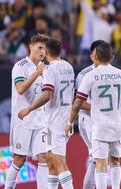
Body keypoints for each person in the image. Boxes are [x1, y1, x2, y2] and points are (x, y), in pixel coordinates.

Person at [65, 42, 121, 189]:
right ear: (112, 57)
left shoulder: (90, 76)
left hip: (98, 125)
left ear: (96, 56)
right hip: (116, 125)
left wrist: (69, 122)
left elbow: (77, 102)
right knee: (115, 160)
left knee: (99, 162)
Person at [18, 38, 75, 189]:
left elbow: (47, 95)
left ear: (47, 52)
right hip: (66, 119)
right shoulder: (68, 66)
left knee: (59, 162)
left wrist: (29, 109)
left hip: (56, 121)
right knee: (51, 161)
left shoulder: (50, 70)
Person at [6, 34, 49, 189]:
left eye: (44, 48)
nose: (42, 51)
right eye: (39, 47)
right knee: (19, 159)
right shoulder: (20, 66)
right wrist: (36, 73)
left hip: (40, 121)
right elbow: (20, 89)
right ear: (30, 47)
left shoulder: (46, 68)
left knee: (44, 157)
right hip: (22, 121)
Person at [75, 39, 105, 189]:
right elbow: (79, 103)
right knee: (97, 157)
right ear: (92, 55)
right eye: (98, 51)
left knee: (101, 158)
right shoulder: (83, 75)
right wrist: (101, 108)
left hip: (104, 122)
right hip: (88, 121)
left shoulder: (111, 73)